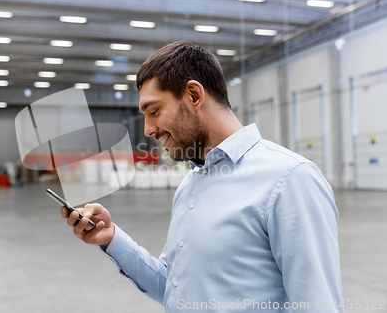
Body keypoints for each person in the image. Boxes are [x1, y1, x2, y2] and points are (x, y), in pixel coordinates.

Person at [61, 41, 343, 312]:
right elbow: (175, 290)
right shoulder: (191, 183)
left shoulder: (289, 179)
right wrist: (112, 239)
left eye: (155, 111)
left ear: (194, 95)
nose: (148, 129)